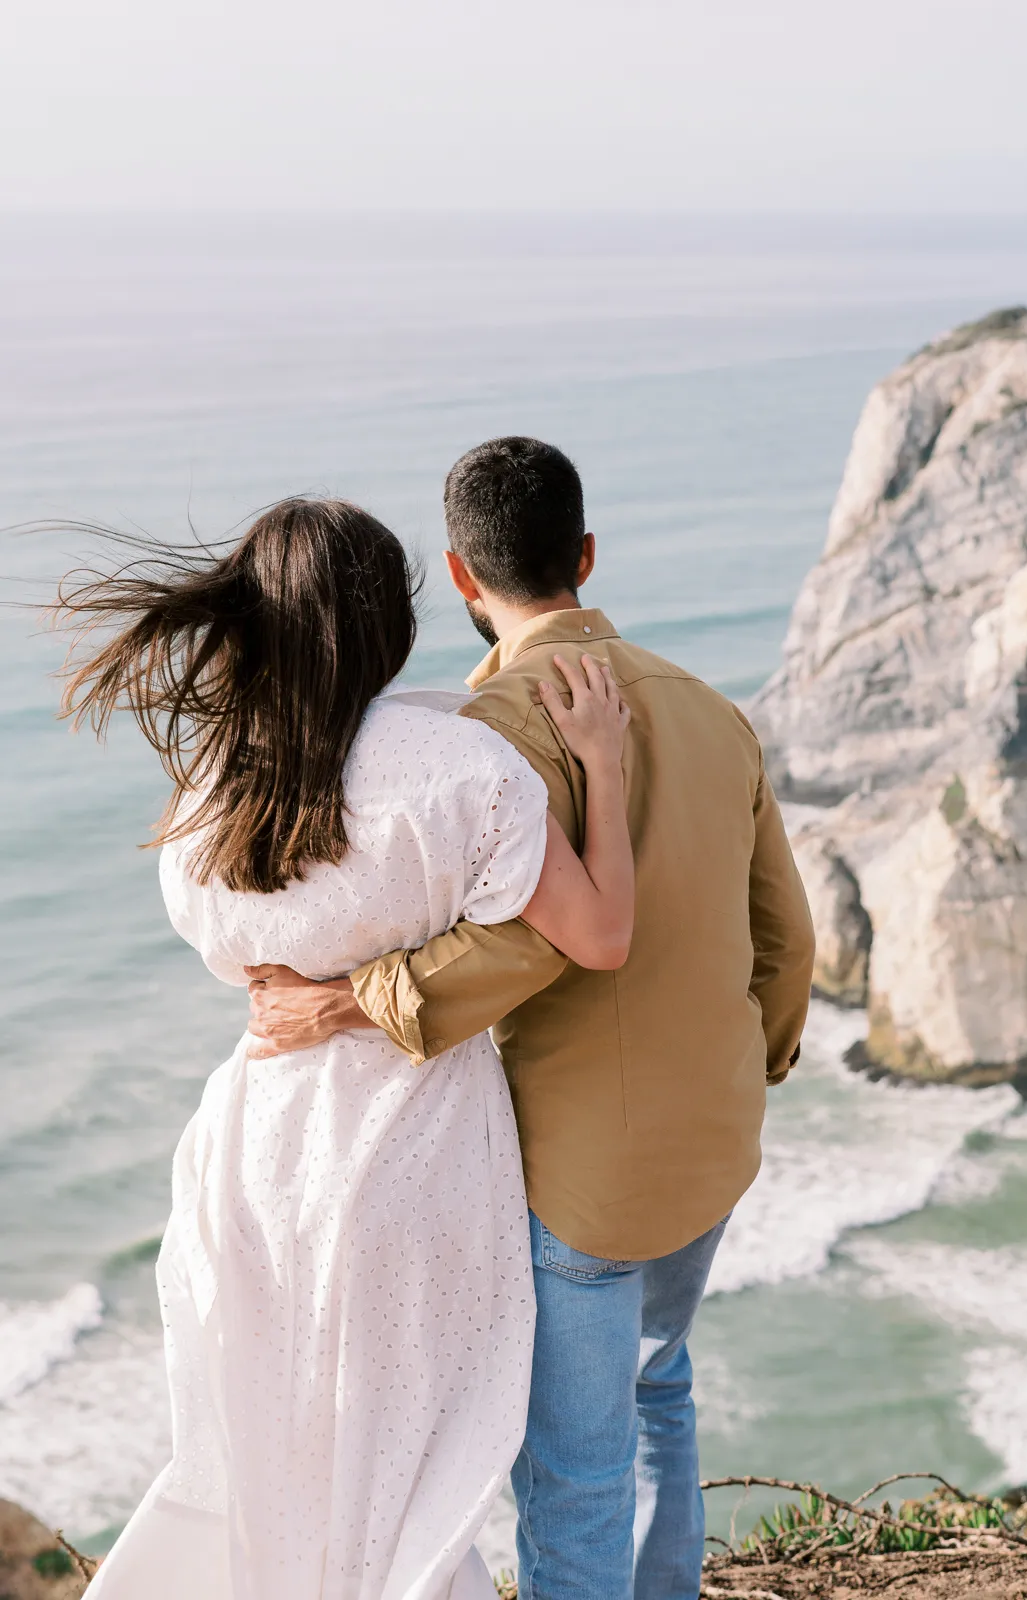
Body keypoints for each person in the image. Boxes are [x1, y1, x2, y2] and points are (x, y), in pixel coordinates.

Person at [248, 440, 817, 1600]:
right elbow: (787, 941)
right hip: (714, 1144)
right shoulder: (713, 711)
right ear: (588, 556)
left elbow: (524, 940)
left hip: (583, 1181)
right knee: (660, 1385)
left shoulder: (484, 738)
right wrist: (748, 1072)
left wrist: (353, 996)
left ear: (460, 574)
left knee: (573, 1476)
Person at [55, 497, 636, 1600]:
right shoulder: (465, 769)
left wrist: (322, 983)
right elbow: (600, 935)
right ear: (388, 623)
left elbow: (236, 958)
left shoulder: (211, 790)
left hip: (257, 1150)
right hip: (411, 1150)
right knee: (405, 1481)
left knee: (277, 1462)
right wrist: (600, 763)